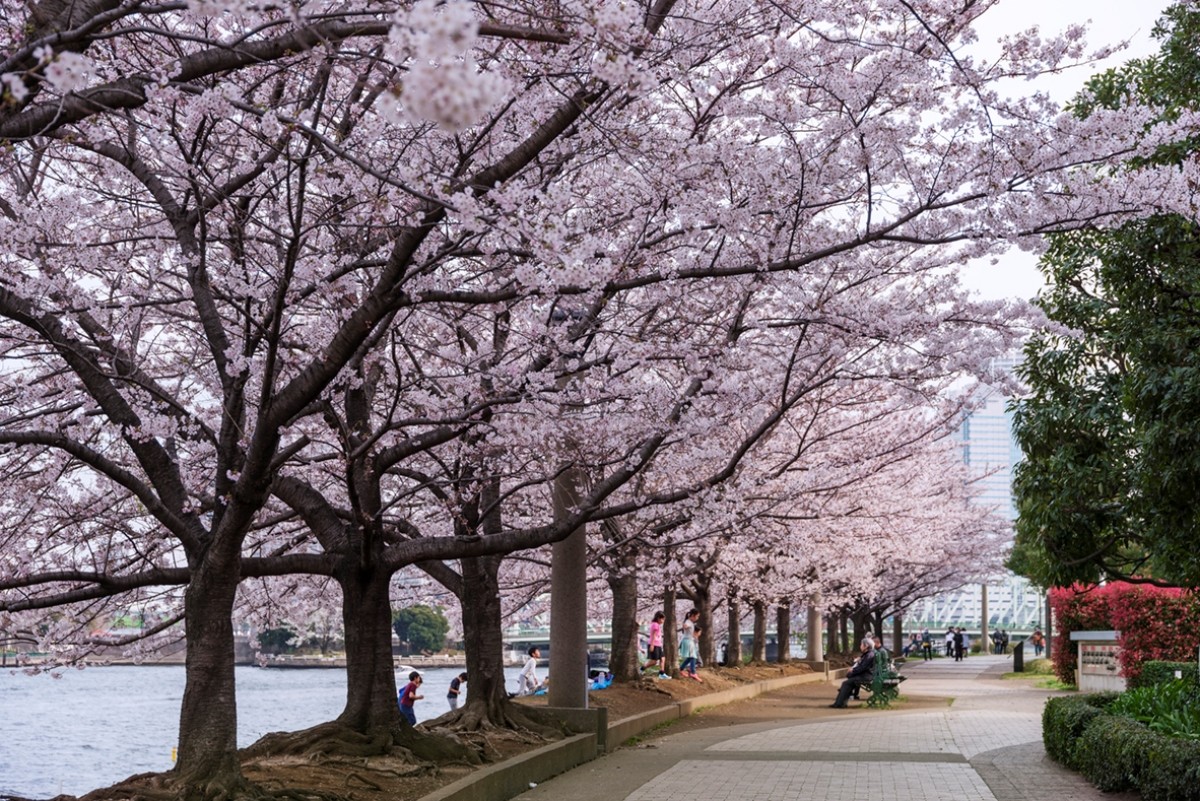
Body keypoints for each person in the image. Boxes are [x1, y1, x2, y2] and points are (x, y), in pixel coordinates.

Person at [830, 637, 877, 708]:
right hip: (868, 675)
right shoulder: (869, 654)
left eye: (861, 644)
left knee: (846, 683)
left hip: (866, 676)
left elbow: (863, 667)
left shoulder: (869, 655)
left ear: (866, 646)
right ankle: (841, 703)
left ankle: (839, 704)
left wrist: (853, 670)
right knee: (848, 682)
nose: (860, 646)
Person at [645, 611, 666, 677]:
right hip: (654, 644)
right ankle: (642, 669)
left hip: (658, 644)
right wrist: (652, 645)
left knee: (662, 658)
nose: (663, 621)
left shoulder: (657, 625)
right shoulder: (655, 625)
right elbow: (653, 635)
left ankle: (662, 674)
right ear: (658, 618)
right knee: (654, 661)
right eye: (662, 619)